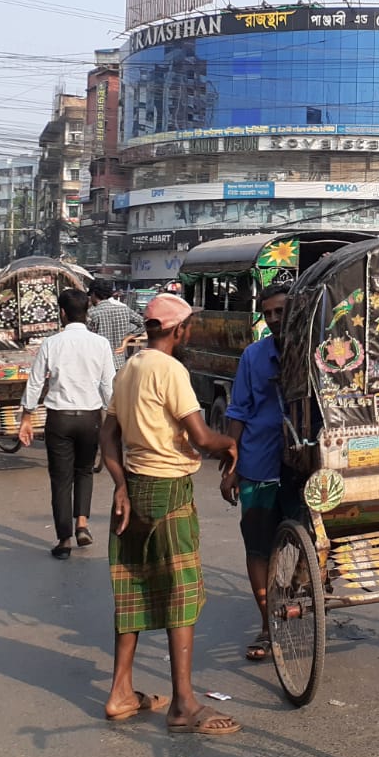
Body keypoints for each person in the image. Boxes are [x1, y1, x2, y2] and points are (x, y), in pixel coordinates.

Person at [98, 293, 239, 734]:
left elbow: (108, 436)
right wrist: (230, 444)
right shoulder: (171, 370)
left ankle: (121, 692)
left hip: (134, 487)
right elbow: (201, 437)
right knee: (182, 593)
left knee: (133, 587)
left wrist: (120, 484)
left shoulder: (129, 368)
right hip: (169, 488)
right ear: (180, 330)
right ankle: (183, 703)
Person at [220, 282, 299, 662]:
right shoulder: (253, 355)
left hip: (307, 462)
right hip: (259, 461)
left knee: (315, 536)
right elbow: (238, 408)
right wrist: (231, 463)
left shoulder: (318, 351)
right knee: (258, 546)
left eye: (280, 312)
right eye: (267, 314)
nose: (273, 319)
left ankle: (300, 585)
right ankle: (267, 626)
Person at [17, 288, 116, 559]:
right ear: (87, 311)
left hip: (59, 418)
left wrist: (26, 417)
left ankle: (64, 540)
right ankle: (81, 524)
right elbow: (108, 386)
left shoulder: (52, 343)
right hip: (90, 417)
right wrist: (114, 420)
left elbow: (36, 382)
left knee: (61, 479)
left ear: (62, 313)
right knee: (84, 471)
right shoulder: (100, 344)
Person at [87, 280, 144, 372]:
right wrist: (127, 338)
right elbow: (144, 323)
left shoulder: (91, 313)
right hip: (119, 363)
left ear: (93, 294)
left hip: (99, 363)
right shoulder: (124, 310)